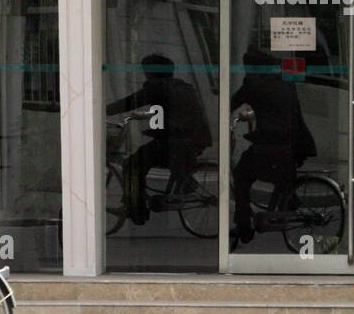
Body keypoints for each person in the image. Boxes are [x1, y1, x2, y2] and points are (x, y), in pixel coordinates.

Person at [106, 54, 212, 224]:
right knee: (157, 158)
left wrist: (99, 109)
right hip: (193, 140)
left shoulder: (156, 88)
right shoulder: (183, 87)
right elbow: (173, 110)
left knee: (133, 164)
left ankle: (137, 211)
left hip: (174, 142)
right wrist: (145, 114)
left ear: (150, 72)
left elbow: (128, 103)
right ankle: (185, 180)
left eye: (145, 70)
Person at [230, 48, 316, 246]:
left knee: (241, 175)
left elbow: (232, 102)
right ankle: (288, 206)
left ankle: (243, 226)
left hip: (268, 146)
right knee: (282, 177)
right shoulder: (286, 82)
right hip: (293, 145)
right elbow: (280, 111)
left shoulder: (252, 83)